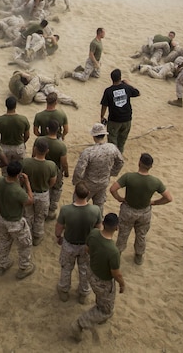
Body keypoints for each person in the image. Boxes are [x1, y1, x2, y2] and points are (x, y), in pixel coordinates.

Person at [69, 213, 126, 342]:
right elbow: (116, 273)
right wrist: (122, 284)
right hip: (103, 281)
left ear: (103, 223)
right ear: (116, 228)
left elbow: (87, 249)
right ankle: (79, 324)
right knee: (106, 311)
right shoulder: (113, 251)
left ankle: (100, 312)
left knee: (101, 299)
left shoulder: (94, 233)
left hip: (91, 272)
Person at [109, 153, 173, 265]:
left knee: (123, 233)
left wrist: (119, 198)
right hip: (144, 212)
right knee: (141, 235)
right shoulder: (155, 181)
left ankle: (118, 253)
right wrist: (154, 202)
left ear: (139, 163)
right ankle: (139, 255)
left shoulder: (128, 177)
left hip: (128, 210)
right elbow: (168, 198)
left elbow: (113, 189)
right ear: (151, 166)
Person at [0, 161, 36, 279]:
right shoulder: (17, 191)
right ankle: (24, 267)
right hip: (15, 221)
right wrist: (27, 183)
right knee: (25, 244)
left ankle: (3, 264)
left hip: (2, 218)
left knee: (4, 242)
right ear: (18, 174)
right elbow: (29, 201)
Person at [71, 123, 125, 210]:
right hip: (103, 182)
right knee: (99, 205)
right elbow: (121, 162)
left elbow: (79, 170)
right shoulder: (112, 148)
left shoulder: (88, 152)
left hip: (88, 184)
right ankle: (98, 222)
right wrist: (112, 173)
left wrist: (77, 182)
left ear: (93, 136)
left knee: (78, 204)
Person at [100, 69, 140, 154]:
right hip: (127, 119)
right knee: (121, 142)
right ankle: (119, 156)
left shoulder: (108, 91)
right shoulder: (126, 88)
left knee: (112, 141)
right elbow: (137, 93)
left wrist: (102, 116)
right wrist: (128, 84)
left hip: (114, 120)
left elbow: (104, 105)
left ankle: (113, 158)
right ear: (120, 78)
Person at [0, 97, 30, 164]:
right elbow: (27, 136)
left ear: (6, 105)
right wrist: (22, 142)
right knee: (19, 169)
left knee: (4, 169)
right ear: (15, 106)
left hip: (5, 147)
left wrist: (0, 143)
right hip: (18, 147)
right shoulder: (23, 119)